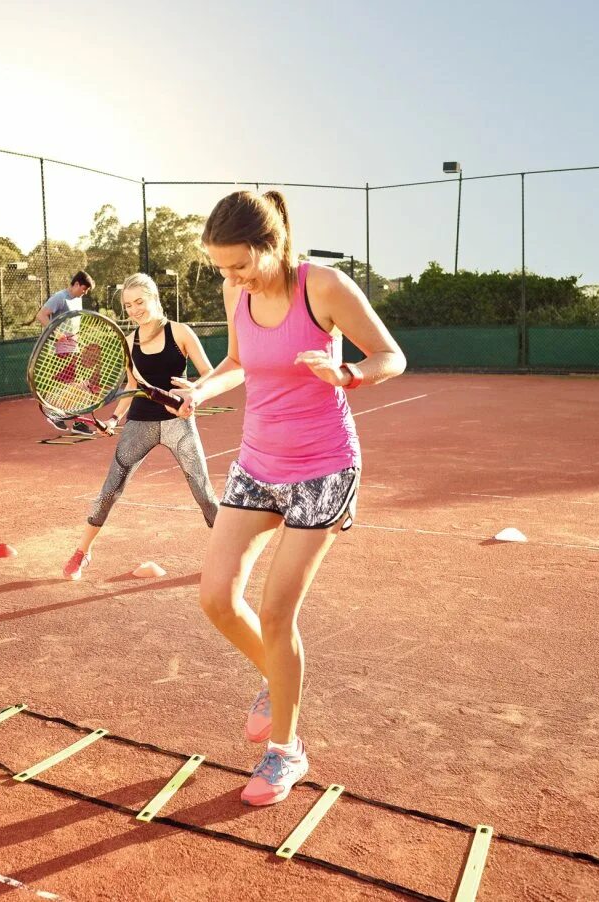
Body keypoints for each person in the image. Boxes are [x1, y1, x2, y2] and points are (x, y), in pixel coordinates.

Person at [171, 190, 406, 805]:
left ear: (272, 246)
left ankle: (286, 749)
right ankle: (278, 680)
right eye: (222, 268)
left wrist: (349, 374)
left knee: (277, 614)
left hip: (323, 467)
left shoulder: (322, 287)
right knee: (216, 598)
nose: (231, 277)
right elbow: (237, 360)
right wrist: (201, 388)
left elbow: (391, 355)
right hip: (257, 463)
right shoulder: (236, 290)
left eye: (240, 265)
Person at [62, 273, 218, 580]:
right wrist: (113, 419)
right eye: (128, 305)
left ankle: (228, 557)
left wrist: (195, 388)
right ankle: (82, 552)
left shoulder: (180, 332)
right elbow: (132, 388)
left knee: (204, 493)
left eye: (139, 302)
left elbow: (210, 373)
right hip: (140, 423)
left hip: (178, 421)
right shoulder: (129, 342)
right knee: (110, 490)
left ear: (154, 298)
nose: (134, 310)